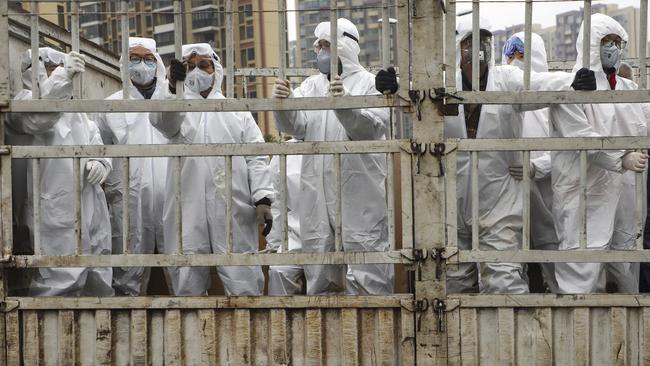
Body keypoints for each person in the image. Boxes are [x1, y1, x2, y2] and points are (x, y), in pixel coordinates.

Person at [374, 16, 644, 294]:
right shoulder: (443, 84)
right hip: (451, 199)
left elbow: (538, 83)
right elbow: (415, 90)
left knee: (504, 277)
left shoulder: (506, 78)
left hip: (499, 197)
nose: (479, 48)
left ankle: (507, 336)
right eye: (470, 43)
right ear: (458, 46)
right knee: (455, 280)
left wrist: (571, 82)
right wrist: (391, 85)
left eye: (485, 41)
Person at [271, 18, 394, 295]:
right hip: (317, 196)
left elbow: (372, 128)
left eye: (327, 45)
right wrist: (283, 105)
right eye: (319, 46)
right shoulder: (311, 87)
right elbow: (296, 126)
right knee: (321, 272)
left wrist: (345, 106)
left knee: (367, 272)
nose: (321, 52)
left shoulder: (369, 83)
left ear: (346, 47)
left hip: (359, 195)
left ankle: (374, 333)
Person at [150, 43, 273, 296]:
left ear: (216, 69)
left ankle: (246, 328)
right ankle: (191, 331)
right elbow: (163, 123)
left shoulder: (236, 111)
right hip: (187, 204)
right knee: (187, 274)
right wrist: (174, 90)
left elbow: (256, 156)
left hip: (233, 205)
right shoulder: (177, 106)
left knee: (242, 275)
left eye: (203, 65)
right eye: (190, 66)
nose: (197, 71)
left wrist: (262, 197)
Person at [6, 48, 113, 296]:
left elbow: (97, 141)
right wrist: (64, 78)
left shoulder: (76, 110)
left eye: (61, 67)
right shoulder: (22, 103)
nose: (60, 73)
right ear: (34, 72)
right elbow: (39, 117)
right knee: (58, 280)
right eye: (52, 68)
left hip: (89, 204)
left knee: (97, 276)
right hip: (50, 208)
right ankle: (53, 334)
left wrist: (102, 162)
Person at [555, 14, 649, 294]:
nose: (613, 48)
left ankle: (626, 335)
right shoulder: (571, 85)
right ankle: (577, 334)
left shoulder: (629, 89)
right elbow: (581, 137)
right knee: (582, 268)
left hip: (627, 193)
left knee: (625, 266)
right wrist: (622, 157)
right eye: (606, 41)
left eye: (618, 42)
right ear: (589, 44)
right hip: (585, 191)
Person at [94, 37, 169, 296]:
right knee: (128, 270)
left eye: (148, 59)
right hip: (128, 198)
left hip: (173, 195)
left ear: (158, 62)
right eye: (134, 59)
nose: (142, 64)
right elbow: (99, 149)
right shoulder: (110, 106)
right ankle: (128, 329)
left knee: (184, 265)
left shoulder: (173, 101)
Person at [502, 32, 559, 292]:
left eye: (521, 55)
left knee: (553, 262)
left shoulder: (551, 104)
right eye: (510, 55)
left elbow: (569, 152)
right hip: (509, 195)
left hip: (547, 196)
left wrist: (537, 167)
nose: (515, 61)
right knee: (510, 264)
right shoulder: (500, 99)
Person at [265, 139, 305, 295]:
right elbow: (277, 204)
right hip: (296, 234)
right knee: (278, 271)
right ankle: (280, 319)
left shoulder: (338, 139)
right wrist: (274, 245)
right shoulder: (285, 152)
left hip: (335, 236)